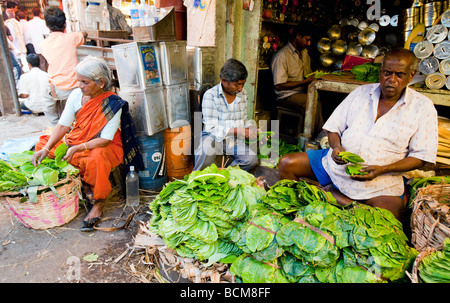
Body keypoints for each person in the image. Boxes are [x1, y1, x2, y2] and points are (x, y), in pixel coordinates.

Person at [278, 48, 438, 222]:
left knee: (386, 221)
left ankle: (337, 199)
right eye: (386, 73)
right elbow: (333, 128)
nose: (391, 80)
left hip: (381, 182)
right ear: (380, 72)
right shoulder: (361, 93)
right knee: (286, 164)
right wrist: (336, 147)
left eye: (399, 75)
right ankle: (302, 215)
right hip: (335, 167)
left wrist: (382, 169)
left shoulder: (423, 107)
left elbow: (421, 157)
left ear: (411, 75)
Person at [31, 56, 144, 232]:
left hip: (103, 146)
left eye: (85, 82)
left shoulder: (111, 104)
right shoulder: (76, 95)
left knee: (96, 159)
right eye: (78, 81)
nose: (80, 86)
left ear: (101, 82)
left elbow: (105, 140)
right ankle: (82, 182)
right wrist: (46, 148)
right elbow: (63, 125)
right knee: (42, 144)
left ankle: (98, 202)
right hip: (78, 139)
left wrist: (77, 148)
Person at [193, 58, 259, 172]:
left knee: (251, 160)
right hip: (213, 137)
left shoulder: (243, 94)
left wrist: (251, 128)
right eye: (237, 84)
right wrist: (238, 130)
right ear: (224, 80)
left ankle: (225, 174)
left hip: (234, 140)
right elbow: (211, 128)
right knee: (205, 147)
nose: (241, 88)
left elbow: (243, 119)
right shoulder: (211, 95)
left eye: (243, 84)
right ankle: (199, 178)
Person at [270, 20, 323, 134]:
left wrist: (316, 74)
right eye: (307, 39)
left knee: (319, 100)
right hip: (286, 96)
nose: (309, 43)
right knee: (313, 103)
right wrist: (304, 82)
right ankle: (314, 137)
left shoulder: (304, 54)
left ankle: (316, 135)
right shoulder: (282, 56)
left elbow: (307, 74)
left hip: (300, 92)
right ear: (298, 36)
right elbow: (278, 85)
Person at [40, 6, 87, 126]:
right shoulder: (72, 38)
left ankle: (56, 125)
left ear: (47, 25)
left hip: (57, 89)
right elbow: (84, 34)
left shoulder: (44, 44)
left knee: (47, 102)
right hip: (75, 87)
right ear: (65, 23)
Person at [27, 7, 50, 71]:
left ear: (32, 14)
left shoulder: (29, 23)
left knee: (39, 63)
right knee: (45, 63)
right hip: (44, 45)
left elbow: (28, 36)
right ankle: (45, 76)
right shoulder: (43, 22)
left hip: (35, 46)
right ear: (40, 14)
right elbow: (47, 34)